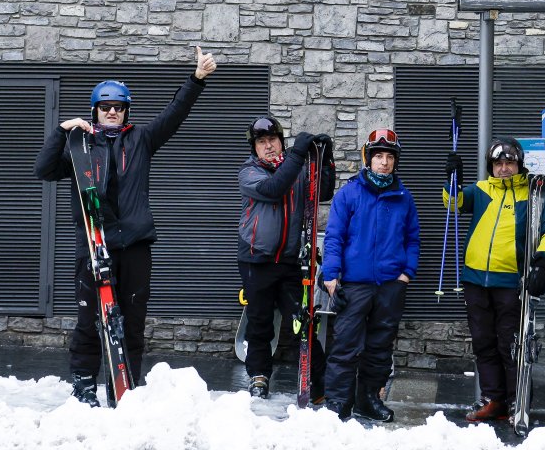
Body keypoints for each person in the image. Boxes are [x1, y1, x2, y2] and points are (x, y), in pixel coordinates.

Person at [33, 47, 217, 406]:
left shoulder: (142, 140)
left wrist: (196, 80)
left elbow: (174, 114)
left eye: (118, 106)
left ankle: (126, 384)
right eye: (105, 107)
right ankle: (84, 383)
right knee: (89, 319)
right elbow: (43, 169)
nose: (112, 112)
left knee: (132, 320)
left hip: (134, 245)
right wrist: (61, 130)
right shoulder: (80, 146)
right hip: (92, 243)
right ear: (95, 111)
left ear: (126, 110)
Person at [443, 137, 545, 421]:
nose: (504, 168)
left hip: (510, 281)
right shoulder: (482, 190)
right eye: (499, 163)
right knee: (483, 341)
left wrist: (542, 263)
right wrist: (452, 179)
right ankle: (493, 399)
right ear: (491, 166)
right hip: (475, 279)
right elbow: (454, 204)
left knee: (509, 345)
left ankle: (515, 401)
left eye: (510, 163)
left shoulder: (532, 195)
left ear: (519, 166)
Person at [321, 129, 420, 421]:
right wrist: (330, 275)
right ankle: (338, 401)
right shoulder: (349, 193)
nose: (384, 162)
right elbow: (334, 236)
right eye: (379, 156)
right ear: (368, 158)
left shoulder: (404, 197)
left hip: (390, 285)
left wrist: (406, 275)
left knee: (379, 348)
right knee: (346, 345)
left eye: (390, 156)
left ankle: (367, 400)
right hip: (354, 284)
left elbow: (412, 239)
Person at [237, 115, 335, 400]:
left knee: (303, 321)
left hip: (291, 261)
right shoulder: (249, 173)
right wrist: (298, 154)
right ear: (254, 148)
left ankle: (320, 381)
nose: (268, 147)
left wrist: (325, 159)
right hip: (256, 260)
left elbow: (324, 192)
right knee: (260, 321)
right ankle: (259, 376)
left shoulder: (297, 170)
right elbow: (274, 188)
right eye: (262, 142)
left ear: (281, 141)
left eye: (273, 140)